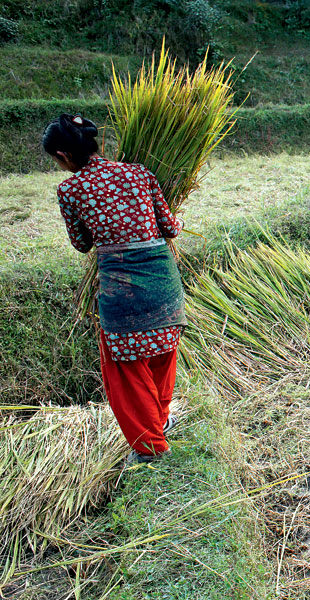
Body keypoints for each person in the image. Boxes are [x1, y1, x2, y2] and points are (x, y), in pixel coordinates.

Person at [44, 114, 186, 464]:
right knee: (162, 353)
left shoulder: (70, 189)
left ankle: (150, 448)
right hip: (163, 284)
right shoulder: (139, 172)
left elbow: (81, 244)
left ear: (63, 156)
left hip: (123, 293)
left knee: (125, 370)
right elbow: (170, 227)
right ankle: (160, 421)